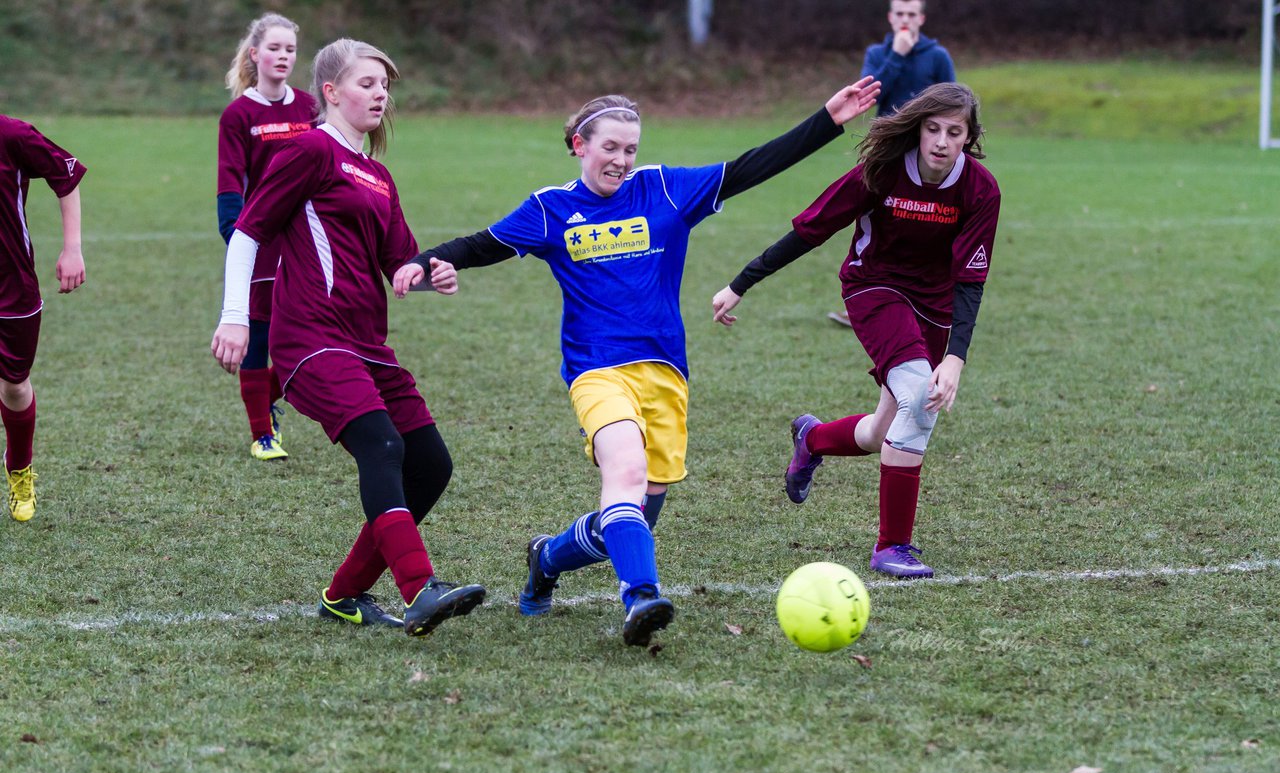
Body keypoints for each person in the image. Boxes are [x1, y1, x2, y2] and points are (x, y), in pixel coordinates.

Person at [393, 78, 882, 646]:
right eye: (610, 148)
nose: (622, 160)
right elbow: (480, 245)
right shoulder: (551, 209)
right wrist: (426, 262)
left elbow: (752, 168)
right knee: (623, 475)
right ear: (580, 144)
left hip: (665, 374)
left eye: (630, 149)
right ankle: (641, 597)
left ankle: (546, 558)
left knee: (633, 518)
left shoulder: (665, 191)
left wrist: (827, 120)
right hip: (596, 370)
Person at [211, 39, 486, 637]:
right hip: (309, 339)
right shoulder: (311, 150)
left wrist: (431, 272)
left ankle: (345, 595)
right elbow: (247, 233)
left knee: (431, 466)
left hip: (367, 344)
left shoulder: (379, 175)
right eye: (367, 83)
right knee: (382, 446)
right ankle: (419, 590)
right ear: (331, 93)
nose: (380, 93)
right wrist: (235, 315)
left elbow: (399, 263)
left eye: (385, 85)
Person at [711, 83, 1000, 580]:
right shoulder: (883, 172)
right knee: (918, 401)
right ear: (919, 129)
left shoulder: (980, 190)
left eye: (955, 132)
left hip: (934, 308)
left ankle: (814, 439)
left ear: (968, 138)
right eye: (933, 128)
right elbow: (813, 228)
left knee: (882, 431)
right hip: (874, 288)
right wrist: (743, 281)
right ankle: (893, 546)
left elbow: (972, 280)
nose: (941, 141)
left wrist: (955, 357)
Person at [216, 13, 318, 461]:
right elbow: (229, 181)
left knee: (309, 336)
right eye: (274, 48)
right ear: (255, 54)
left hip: (309, 240)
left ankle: (270, 398)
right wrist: (238, 235)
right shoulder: (239, 114)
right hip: (261, 239)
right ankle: (262, 433)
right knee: (259, 336)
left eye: (290, 49)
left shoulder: (310, 108)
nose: (283, 56)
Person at [826, 0, 957, 329]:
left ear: (921, 19)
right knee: (874, 227)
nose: (905, 20)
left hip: (929, 157)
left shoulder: (937, 56)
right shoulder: (877, 54)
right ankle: (863, 299)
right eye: (899, 14)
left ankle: (928, 299)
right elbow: (872, 96)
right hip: (886, 153)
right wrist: (897, 55)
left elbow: (953, 102)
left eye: (911, 15)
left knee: (928, 226)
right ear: (890, 17)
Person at [0, 115, 87, 523]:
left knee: (14, 387)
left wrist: (72, 249)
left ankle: (19, 469)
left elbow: (65, 176)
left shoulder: (12, 134)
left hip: (11, 287)